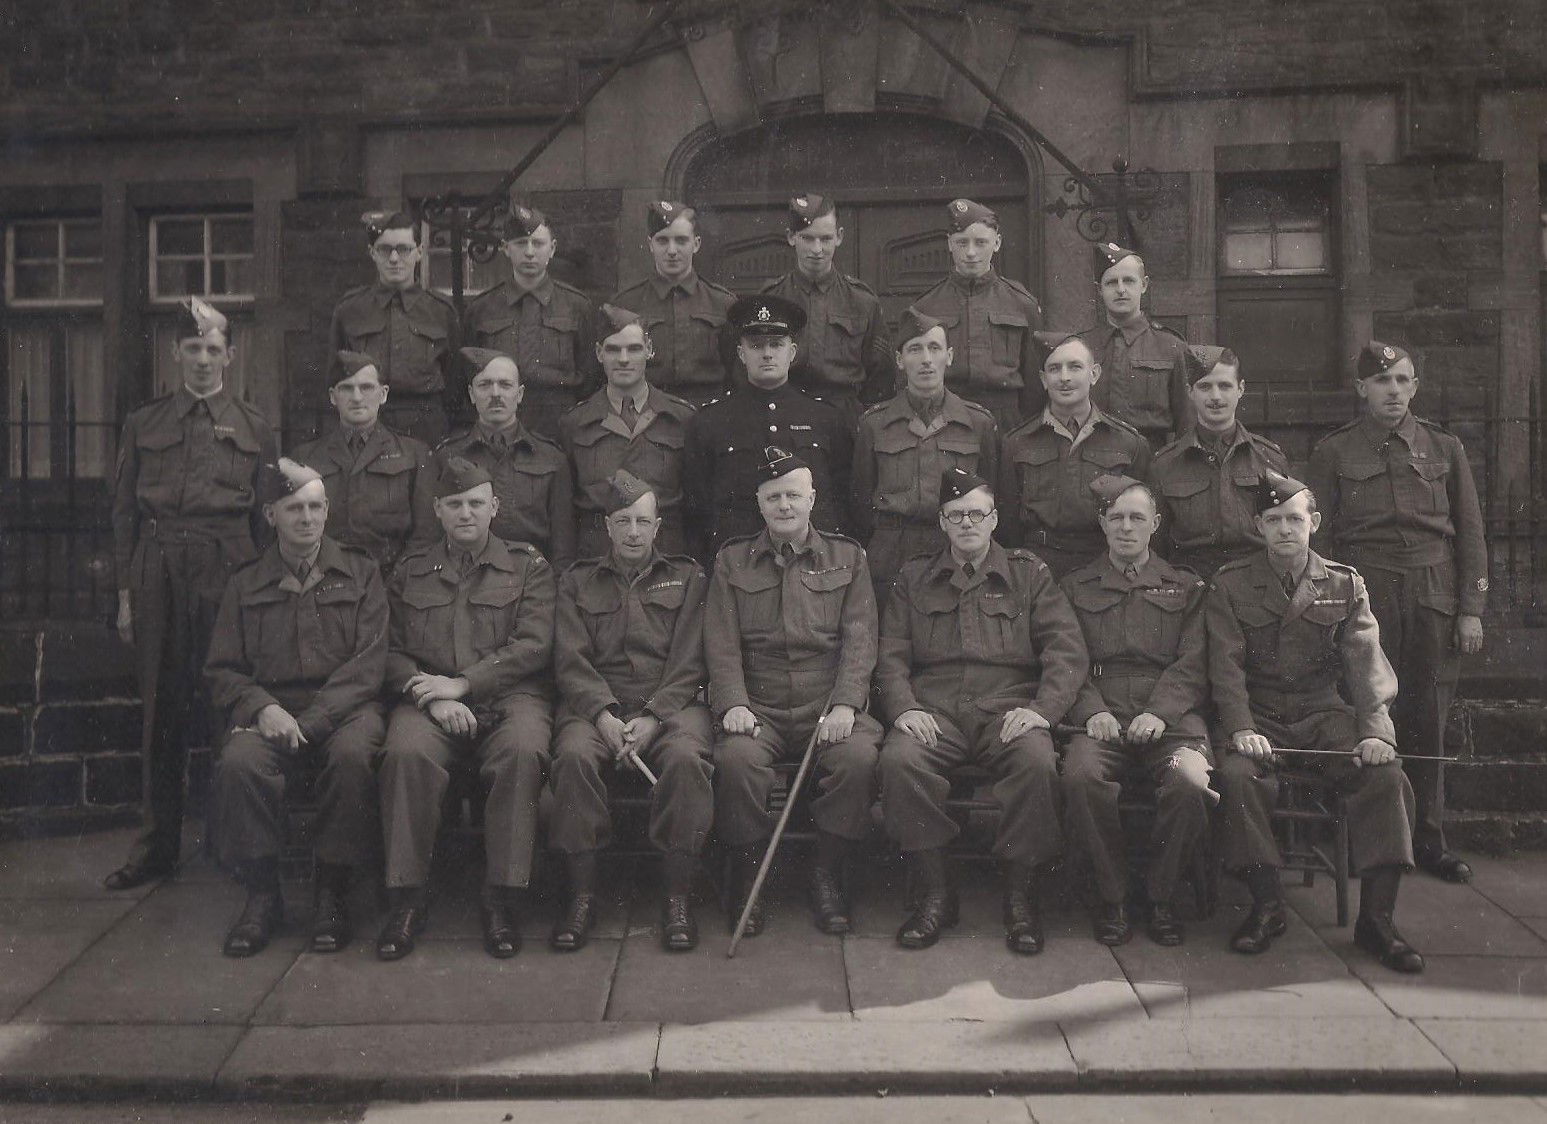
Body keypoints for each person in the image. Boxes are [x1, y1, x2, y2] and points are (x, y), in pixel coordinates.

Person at [1209, 469, 1425, 973]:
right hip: (1259, 714)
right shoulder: (1232, 584)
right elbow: (1225, 667)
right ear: (1258, 526)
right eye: (1273, 520)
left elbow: (1367, 665)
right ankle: (1267, 907)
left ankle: (1378, 920)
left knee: (1385, 777)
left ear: (1314, 523)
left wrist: (1375, 732)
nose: (1285, 529)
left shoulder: (1345, 584)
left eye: (1294, 518)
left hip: (1323, 713)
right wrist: (1241, 727)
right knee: (1239, 778)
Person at [876, 468, 1088, 954]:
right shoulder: (914, 577)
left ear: (994, 520)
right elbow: (890, 654)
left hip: (1009, 708)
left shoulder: (1028, 573)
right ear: (943, 524)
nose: (967, 523)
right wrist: (904, 708)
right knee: (900, 761)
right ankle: (935, 892)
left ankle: (1020, 898)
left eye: (977, 513)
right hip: (936, 709)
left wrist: (1042, 711)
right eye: (956, 515)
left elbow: (1066, 651)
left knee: (1036, 763)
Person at [106, 297, 277, 891]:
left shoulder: (255, 426)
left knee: (226, 704)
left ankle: (229, 843)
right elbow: (125, 512)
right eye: (192, 349)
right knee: (161, 707)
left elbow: (264, 520)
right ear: (176, 354)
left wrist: (257, 597)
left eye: (213, 349)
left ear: (231, 355)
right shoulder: (144, 422)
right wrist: (126, 594)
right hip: (158, 568)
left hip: (228, 567)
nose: (203, 359)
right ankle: (156, 846)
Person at [1306, 341, 1487, 884]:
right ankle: (1372, 844)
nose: (1393, 391)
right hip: (1366, 591)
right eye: (1382, 381)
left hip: (1433, 592)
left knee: (1427, 717)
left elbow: (1471, 534)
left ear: (1415, 386)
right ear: (1361, 388)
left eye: (1402, 380)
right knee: (1366, 711)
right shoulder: (1334, 452)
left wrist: (1470, 609)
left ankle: (1429, 840)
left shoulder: (1444, 447)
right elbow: (1321, 533)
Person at [374, 457, 555, 961]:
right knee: (405, 753)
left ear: (494, 507)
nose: (466, 513)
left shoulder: (529, 566)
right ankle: (406, 898)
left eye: (476, 503)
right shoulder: (410, 572)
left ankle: (502, 897)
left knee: (523, 751)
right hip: (429, 698)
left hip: (509, 695)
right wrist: (428, 695)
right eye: (455, 504)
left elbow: (534, 645)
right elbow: (386, 648)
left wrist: (463, 684)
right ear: (437, 509)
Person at [206, 459, 386, 957]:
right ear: (271, 515)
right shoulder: (245, 583)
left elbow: (368, 665)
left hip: (344, 708)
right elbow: (223, 669)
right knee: (240, 764)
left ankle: (332, 890)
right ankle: (263, 893)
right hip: (273, 708)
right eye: (293, 509)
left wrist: (311, 721)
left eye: (315, 507)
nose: (306, 519)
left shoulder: (361, 571)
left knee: (352, 759)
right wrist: (262, 709)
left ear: (328, 510)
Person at [705, 447, 883, 936]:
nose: (784, 506)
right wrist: (733, 703)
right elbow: (721, 644)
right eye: (774, 497)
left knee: (858, 759)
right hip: (757, 702)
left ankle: (825, 873)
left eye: (793, 496)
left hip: (826, 701)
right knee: (737, 763)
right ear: (760, 505)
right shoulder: (731, 561)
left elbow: (861, 637)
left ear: (812, 500)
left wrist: (848, 701)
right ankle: (749, 878)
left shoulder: (848, 558)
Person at [548, 471, 714, 952]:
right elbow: (570, 661)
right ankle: (582, 896)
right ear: (607, 526)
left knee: (686, 762)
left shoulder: (688, 576)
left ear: (659, 526)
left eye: (643, 521)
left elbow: (690, 661)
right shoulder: (578, 581)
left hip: (671, 706)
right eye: (623, 521)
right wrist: (602, 715)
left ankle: (677, 896)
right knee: (575, 759)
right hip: (595, 705)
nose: (634, 532)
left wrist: (654, 716)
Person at [1059, 475, 1215, 947]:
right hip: (1101, 709)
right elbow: (1065, 658)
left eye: (1137, 518)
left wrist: (1161, 712)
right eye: (1117, 517)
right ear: (1102, 523)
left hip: (1170, 714)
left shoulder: (1186, 586)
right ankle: (1114, 897)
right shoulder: (1074, 586)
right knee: (1081, 778)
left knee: (1190, 782)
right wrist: (1090, 710)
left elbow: (1195, 661)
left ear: (1155, 525)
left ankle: (1161, 895)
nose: (1126, 527)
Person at [683, 295, 853, 560]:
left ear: (792, 352)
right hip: (739, 561)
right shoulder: (711, 421)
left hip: (812, 560)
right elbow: (697, 509)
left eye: (776, 344)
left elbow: (841, 499)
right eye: (756, 345)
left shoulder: (825, 418)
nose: (767, 353)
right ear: (741, 353)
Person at [851, 307, 998, 602]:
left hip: (955, 547)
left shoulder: (978, 423)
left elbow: (994, 493)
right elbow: (860, 501)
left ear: (950, 356)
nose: (926, 360)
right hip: (892, 553)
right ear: (899, 360)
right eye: (915, 349)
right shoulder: (875, 424)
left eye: (935, 348)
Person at [998, 332, 1152, 578]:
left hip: (1103, 566)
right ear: (1043, 379)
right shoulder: (1016, 443)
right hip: (1037, 567)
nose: (1065, 378)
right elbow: (1007, 524)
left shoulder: (1128, 443)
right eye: (1055, 369)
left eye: (1075, 367)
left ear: (1094, 374)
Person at [558, 305, 696, 560]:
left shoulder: (682, 419)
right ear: (599, 353)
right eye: (613, 349)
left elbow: (695, 506)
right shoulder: (575, 423)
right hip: (596, 562)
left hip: (667, 560)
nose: (623, 359)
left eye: (633, 349)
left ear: (650, 350)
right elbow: (565, 514)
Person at [291, 350, 438, 578]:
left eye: (366, 387)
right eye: (347, 388)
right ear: (332, 396)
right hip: (325, 581)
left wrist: (398, 580)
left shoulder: (414, 454)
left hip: (394, 583)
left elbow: (425, 535)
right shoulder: (305, 458)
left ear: (383, 394)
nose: (357, 397)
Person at [1149, 345, 1288, 577]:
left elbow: (1286, 532)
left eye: (1224, 386)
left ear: (1240, 389)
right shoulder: (1165, 464)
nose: (1215, 397)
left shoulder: (1269, 459)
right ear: (1190, 391)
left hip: (1255, 584)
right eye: (1204, 386)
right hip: (1190, 584)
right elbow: (1155, 544)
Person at [462, 202, 598, 438]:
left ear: (552, 248)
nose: (529, 252)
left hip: (559, 421)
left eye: (537, 243)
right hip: (499, 421)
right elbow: (465, 377)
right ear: (505, 248)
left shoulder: (577, 306)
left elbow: (591, 377)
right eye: (520, 243)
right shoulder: (482, 308)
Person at [436, 346, 576, 571]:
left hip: (531, 578)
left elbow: (563, 548)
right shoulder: (448, 456)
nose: (495, 394)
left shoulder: (551, 458)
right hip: (465, 574)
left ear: (519, 394)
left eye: (505, 385)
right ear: (471, 394)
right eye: (485, 385)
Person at [327, 209, 459, 444]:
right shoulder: (350, 310)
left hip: (427, 424)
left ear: (419, 252)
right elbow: (334, 378)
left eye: (404, 249)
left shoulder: (441, 311)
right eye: (385, 249)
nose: (395, 259)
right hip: (368, 422)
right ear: (372, 253)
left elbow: (456, 383)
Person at [758, 193, 892, 424]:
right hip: (783, 414)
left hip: (844, 417)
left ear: (839, 237)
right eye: (807, 239)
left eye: (825, 239)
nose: (817, 249)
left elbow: (881, 375)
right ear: (791, 237)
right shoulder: (771, 298)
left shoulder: (862, 301)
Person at [912, 198, 1043, 430]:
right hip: (945, 420)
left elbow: (1035, 383)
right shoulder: (926, 306)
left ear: (997, 243)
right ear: (949, 244)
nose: (971, 252)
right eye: (962, 242)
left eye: (981, 242)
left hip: (1005, 420)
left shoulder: (1022, 304)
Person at [609, 200, 736, 406]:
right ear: (650, 244)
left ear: (696, 244)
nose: (672, 250)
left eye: (681, 240)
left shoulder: (722, 303)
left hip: (707, 409)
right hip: (648, 412)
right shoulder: (626, 303)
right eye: (662, 241)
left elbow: (737, 372)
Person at [1075, 241, 1190, 445]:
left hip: (1150, 460)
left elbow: (1187, 422)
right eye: (1111, 283)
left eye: (1129, 281)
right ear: (1099, 290)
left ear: (1144, 285)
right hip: (1092, 455)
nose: (1121, 290)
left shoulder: (1171, 346)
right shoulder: (1080, 346)